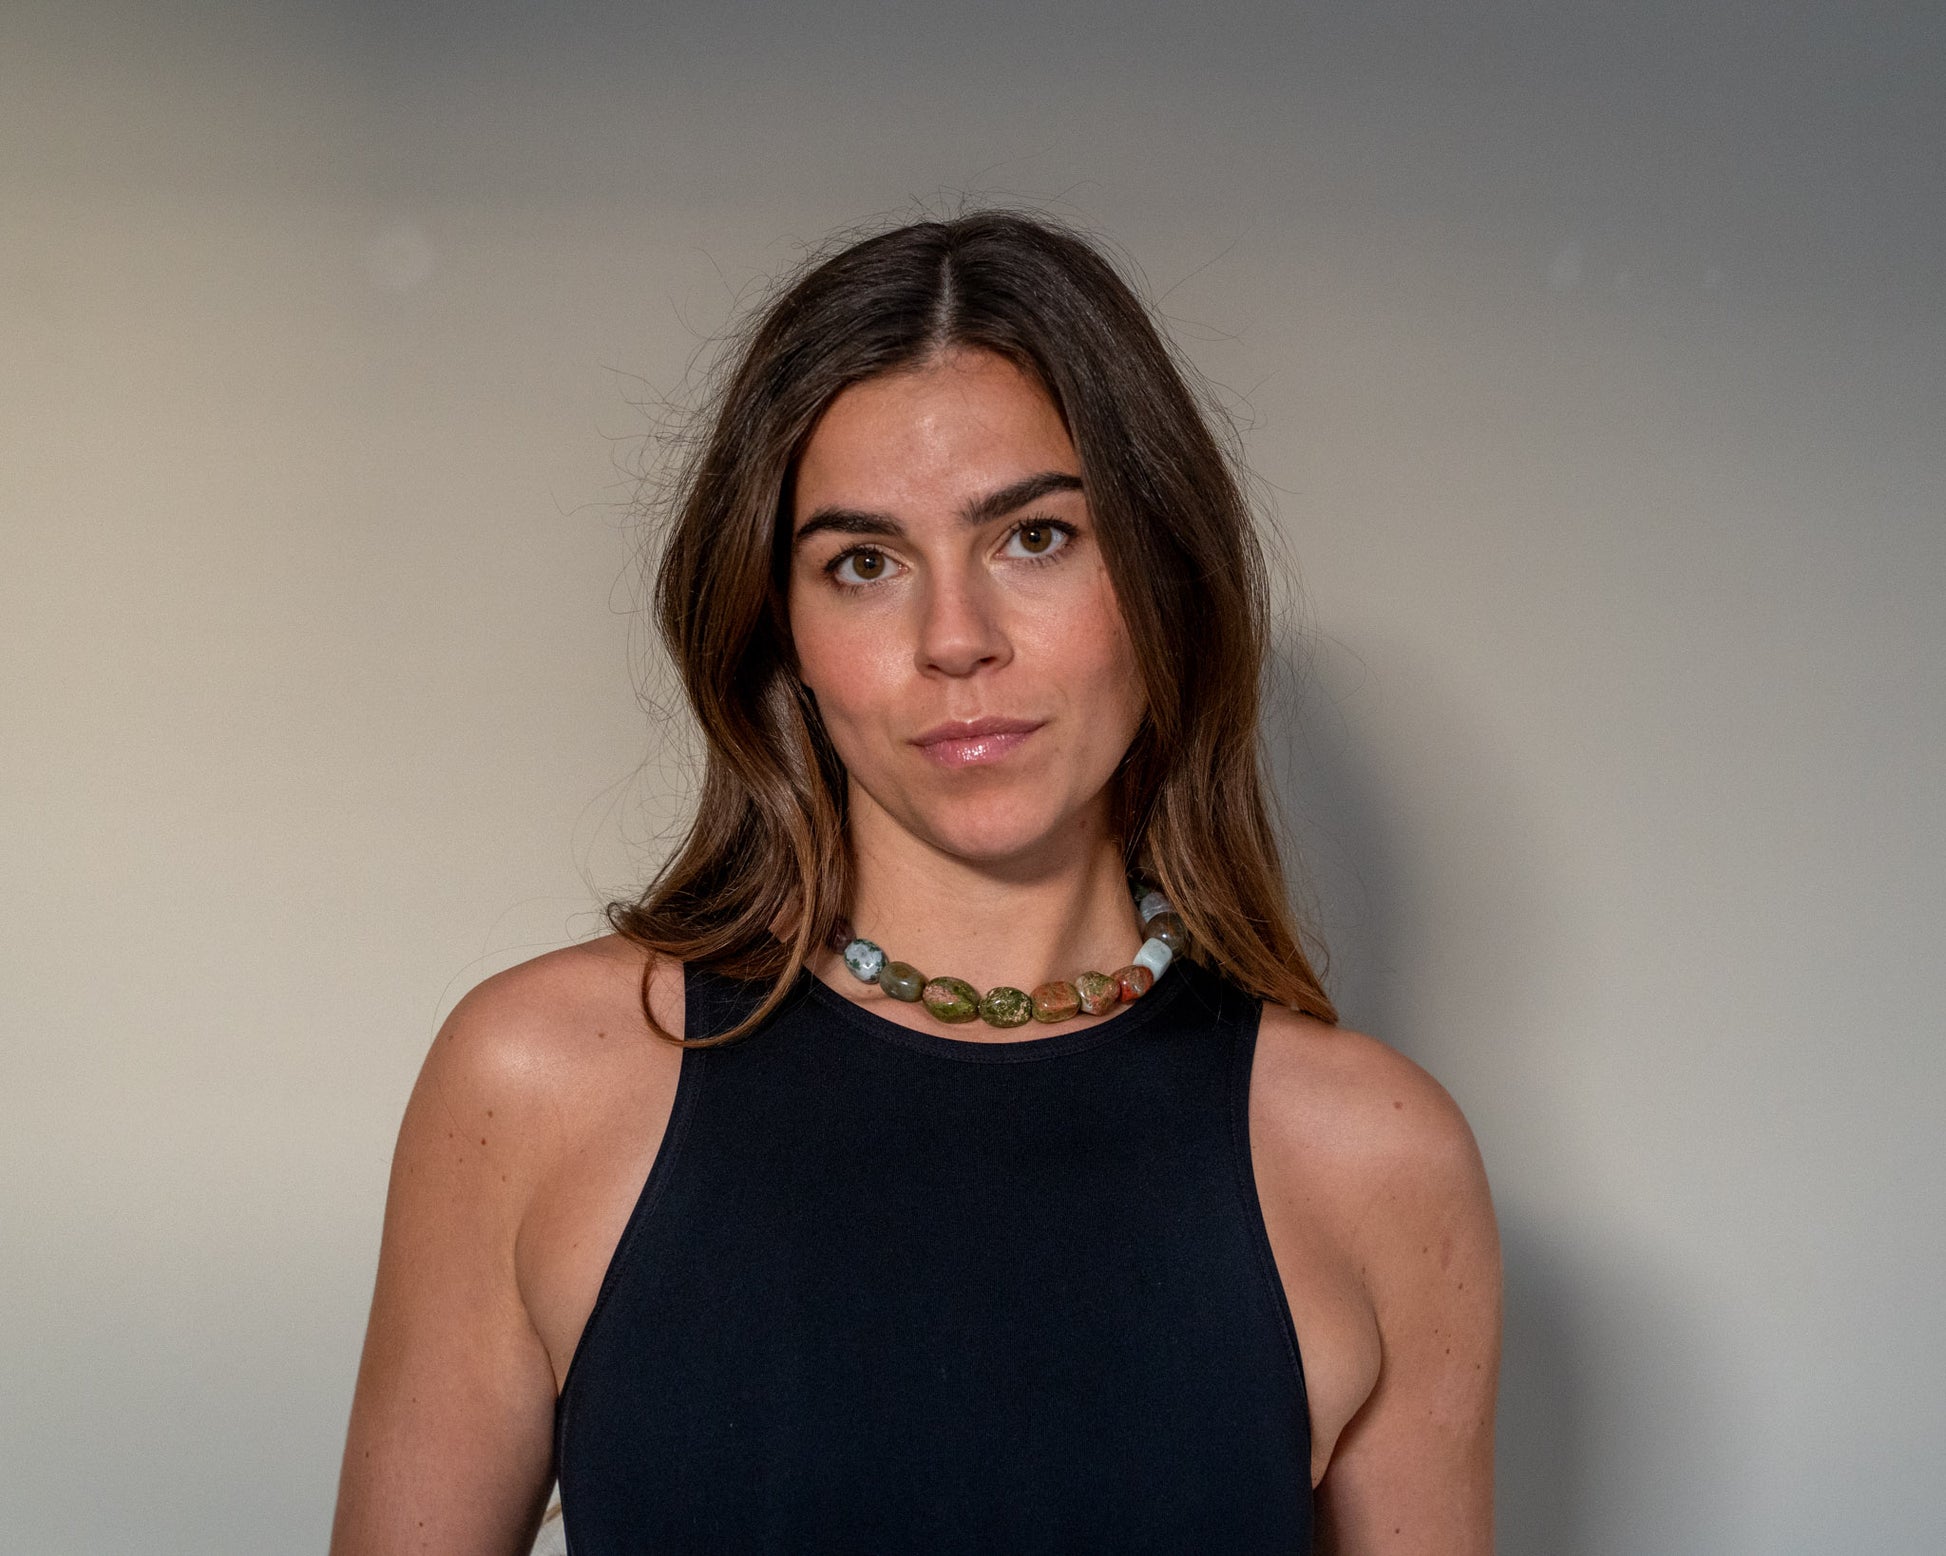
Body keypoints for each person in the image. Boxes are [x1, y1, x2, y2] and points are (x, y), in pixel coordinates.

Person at [329, 210, 1501, 1554]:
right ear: (782, 632)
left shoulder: (1373, 1161)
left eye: (1034, 538)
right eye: (864, 564)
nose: (956, 639)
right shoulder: (543, 1081)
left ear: (1162, 577)